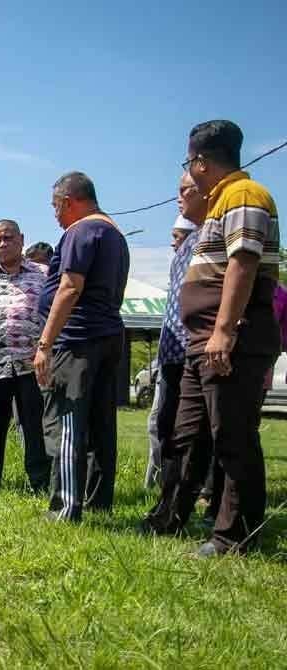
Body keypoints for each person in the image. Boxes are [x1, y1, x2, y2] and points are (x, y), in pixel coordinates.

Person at [152, 120, 279, 557]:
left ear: (200, 161)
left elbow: (244, 263)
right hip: (199, 341)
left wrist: (224, 331)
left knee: (233, 436)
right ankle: (168, 518)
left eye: (189, 163)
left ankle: (234, 536)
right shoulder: (219, 204)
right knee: (186, 436)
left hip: (229, 339)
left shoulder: (245, 195)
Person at [35, 172, 130, 523]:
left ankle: (65, 506)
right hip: (106, 336)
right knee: (102, 423)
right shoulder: (115, 234)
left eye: (55, 207)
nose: (55, 216)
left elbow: (70, 288)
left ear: (68, 200)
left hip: (77, 340)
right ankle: (98, 502)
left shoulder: (82, 231)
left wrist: (45, 343)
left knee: (70, 422)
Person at [0, 220, 52, 495]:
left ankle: (40, 483)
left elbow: (53, 313)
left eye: (8, 238)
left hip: (32, 365)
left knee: (33, 426)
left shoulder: (43, 274)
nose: (3, 244)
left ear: (22, 239)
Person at [145, 186, 206, 490]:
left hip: (192, 349)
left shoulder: (207, 241)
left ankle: (199, 491)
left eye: (186, 190)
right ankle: (168, 491)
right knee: (165, 424)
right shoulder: (183, 252)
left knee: (190, 429)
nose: (172, 241)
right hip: (171, 354)